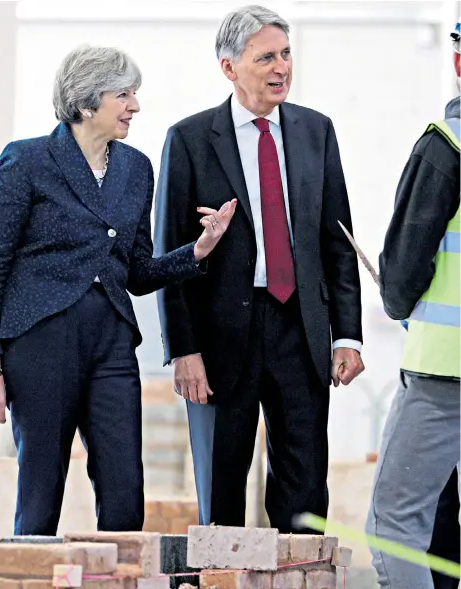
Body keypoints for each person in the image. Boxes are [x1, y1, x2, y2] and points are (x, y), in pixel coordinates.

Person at [0, 45, 236, 536]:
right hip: (39, 342)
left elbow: (135, 272)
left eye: (134, 94)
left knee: (124, 490)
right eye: (124, 95)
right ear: (87, 103)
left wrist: (196, 252)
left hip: (111, 341)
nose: (135, 105)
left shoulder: (136, 168)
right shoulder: (28, 160)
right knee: (41, 490)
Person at [154, 5, 364, 532]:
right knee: (221, 495)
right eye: (266, 57)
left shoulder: (317, 131)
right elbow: (170, 256)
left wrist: (349, 336)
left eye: (287, 54)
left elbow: (337, 242)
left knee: (305, 498)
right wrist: (183, 349)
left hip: (301, 330)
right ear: (229, 67)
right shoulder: (190, 139)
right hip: (222, 342)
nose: (282, 68)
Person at [365, 19, 461, 589]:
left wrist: (402, 305)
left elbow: (400, 270)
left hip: (444, 370)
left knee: (395, 523)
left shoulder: (446, 147)